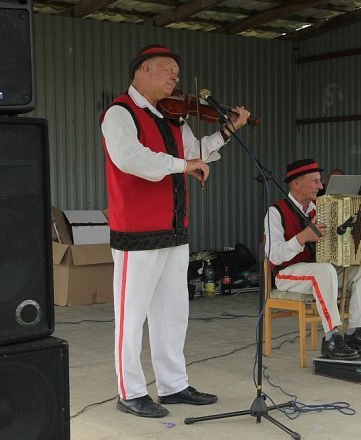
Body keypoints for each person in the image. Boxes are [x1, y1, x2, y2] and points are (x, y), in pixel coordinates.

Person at [100, 44, 250, 418]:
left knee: (173, 312)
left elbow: (194, 152)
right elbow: (130, 158)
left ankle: (173, 385)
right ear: (145, 69)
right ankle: (130, 391)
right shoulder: (120, 113)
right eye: (169, 71)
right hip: (136, 233)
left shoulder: (173, 118)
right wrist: (184, 164)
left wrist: (227, 132)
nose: (175, 79)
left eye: (177, 74)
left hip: (174, 230)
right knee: (131, 316)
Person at [264, 159, 361, 360]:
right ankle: (331, 337)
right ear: (296, 183)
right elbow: (274, 255)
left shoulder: (322, 208)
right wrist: (303, 237)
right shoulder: (275, 212)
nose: (321, 186)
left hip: (319, 271)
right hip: (287, 274)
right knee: (325, 270)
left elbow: (341, 243)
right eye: (315, 181)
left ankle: (356, 332)